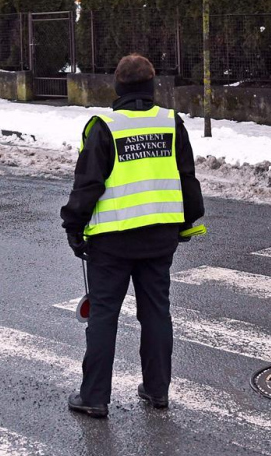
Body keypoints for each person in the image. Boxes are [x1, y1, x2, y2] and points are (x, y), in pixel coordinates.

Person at [61, 53, 204, 417]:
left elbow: (88, 183)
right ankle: (157, 391)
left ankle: (94, 397)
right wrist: (189, 221)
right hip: (160, 237)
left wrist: (73, 226)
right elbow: (186, 176)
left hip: (112, 240)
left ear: (118, 87)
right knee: (156, 312)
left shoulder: (104, 126)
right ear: (151, 86)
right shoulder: (171, 122)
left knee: (104, 316)